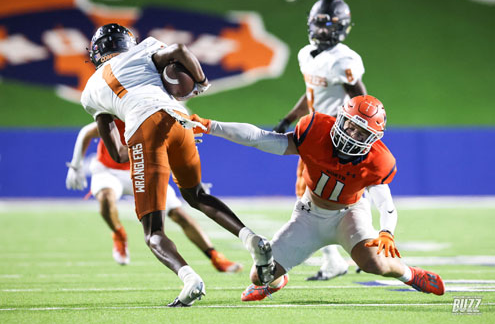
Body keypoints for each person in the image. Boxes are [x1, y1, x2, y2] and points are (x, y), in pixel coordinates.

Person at [79, 23, 274, 307]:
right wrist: (201, 81)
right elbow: (180, 51)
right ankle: (252, 239)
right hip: (181, 120)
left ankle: (190, 278)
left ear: (97, 52)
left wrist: (138, 147)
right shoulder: (145, 49)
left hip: (144, 130)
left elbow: (119, 155)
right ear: (127, 42)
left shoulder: (91, 90)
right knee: (197, 195)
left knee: (153, 232)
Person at [190, 95, 445, 302]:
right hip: (308, 215)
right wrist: (211, 126)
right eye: (350, 125)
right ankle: (276, 283)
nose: (351, 135)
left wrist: (387, 231)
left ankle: (410, 275)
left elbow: (385, 202)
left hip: (350, 214)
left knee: (375, 263)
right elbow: (260, 138)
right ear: (340, 119)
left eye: (361, 133)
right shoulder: (315, 130)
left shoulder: (379, 160)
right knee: (260, 276)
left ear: (373, 138)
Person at [65, 120, 243, 273]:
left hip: (143, 170)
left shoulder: (154, 118)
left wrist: (193, 180)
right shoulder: (117, 114)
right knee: (105, 197)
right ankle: (119, 234)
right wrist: (76, 165)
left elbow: (171, 149)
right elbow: (87, 132)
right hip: (109, 171)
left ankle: (215, 257)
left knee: (179, 215)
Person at [273, 0, 367, 281]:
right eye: (318, 23)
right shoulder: (306, 54)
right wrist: (288, 119)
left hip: (338, 138)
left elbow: (361, 98)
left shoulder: (345, 60)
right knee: (310, 195)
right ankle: (339, 256)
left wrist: (361, 135)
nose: (322, 30)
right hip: (315, 136)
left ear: (342, 27)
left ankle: (361, 248)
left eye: (328, 25)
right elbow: (310, 94)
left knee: (345, 195)